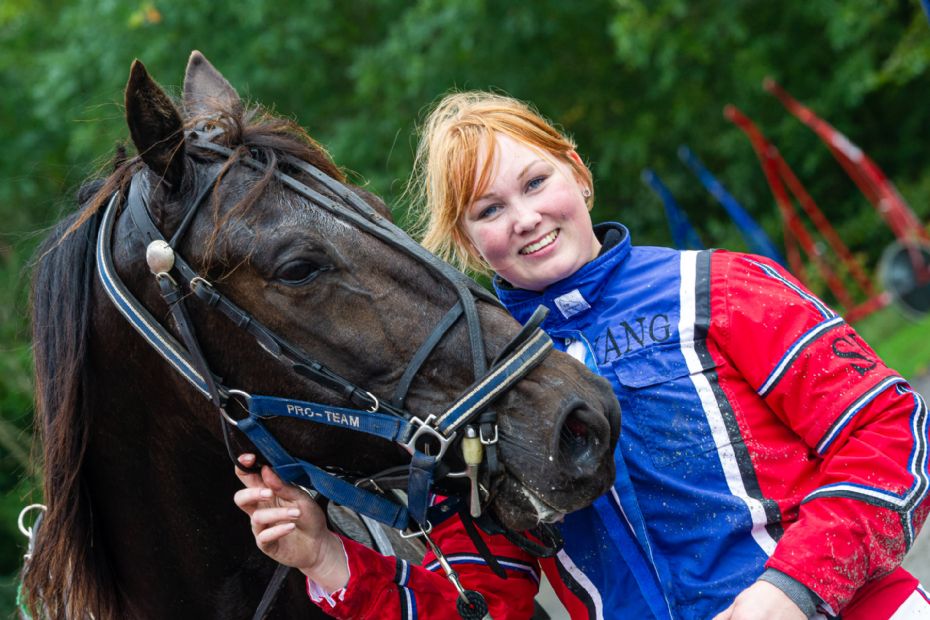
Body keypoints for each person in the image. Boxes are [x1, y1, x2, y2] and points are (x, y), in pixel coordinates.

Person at [234, 91, 930, 619]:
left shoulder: (723, 289)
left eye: (535, 183)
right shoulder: (475, 390)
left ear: (579, 174)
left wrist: (787, 595)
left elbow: (890, 437)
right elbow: (484, 600)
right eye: (488, 210)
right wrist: (325, 558)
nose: (526, 218)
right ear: (465, 242)